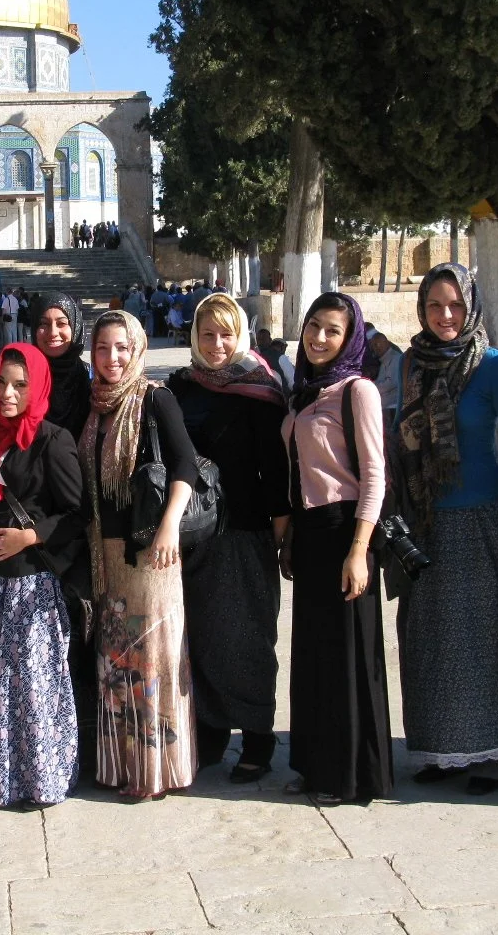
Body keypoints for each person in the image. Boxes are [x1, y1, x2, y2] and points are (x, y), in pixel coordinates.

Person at [394, 265, 498, 794]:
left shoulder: (495, 366)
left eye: (455, 305)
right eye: (435, 305)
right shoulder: (413, 363)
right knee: (429, 640)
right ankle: (442, 750)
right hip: (426, 522)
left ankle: (494, 756)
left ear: (471, 306)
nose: (446, 315)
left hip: (481, 522)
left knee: (483, 641)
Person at [166, 293, 289, 780]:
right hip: (193, 533)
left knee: (247, 638)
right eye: (208, 334)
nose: (217, 345)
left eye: (226, 334)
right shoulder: (181, 385)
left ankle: (257, 736)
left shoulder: (260, 390)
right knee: (201, 637)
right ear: (195, 337)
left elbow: (275, 470)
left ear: (241, 336)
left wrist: (281, 535)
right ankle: (212, 731)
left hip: (244, 531)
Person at [80, 309, 198, 797]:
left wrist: (170, 525)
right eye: (103, 348)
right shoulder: (94, 406)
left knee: (152, 660)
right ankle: (123, 766)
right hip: (107, 556)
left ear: (137, 349)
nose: (112, 357)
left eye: (121, 347)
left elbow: (186, 463)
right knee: (116, 662)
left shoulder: (155, 398)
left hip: (151, 554)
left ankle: (157, 769)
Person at [282, 292, 393, 805]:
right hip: (310, 533)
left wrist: (359, 549)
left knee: (348, 656)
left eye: (333, 330)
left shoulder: (357, 391)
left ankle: (349, 776)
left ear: (350, 338)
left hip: (346, 531)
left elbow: (374, 476)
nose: (319, 338)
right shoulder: (304, 393)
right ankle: (315, 766)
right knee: (313, 655)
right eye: (313, 326)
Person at [0, 343, 85, 808]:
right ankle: (7, 778)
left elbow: (77, 513)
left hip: (33, 584)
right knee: (2, 682)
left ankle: (44, 780)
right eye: (1, 382)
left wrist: (31, 536)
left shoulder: (51, 439)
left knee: (35, 685)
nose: (7, 393)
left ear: (37, 387)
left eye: (20, 385)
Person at [34, 293, 91, 438]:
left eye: (61, 324)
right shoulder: (23, 378)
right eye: (44, 324)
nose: (53, 333)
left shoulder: (91, 377)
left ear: (75, 327)